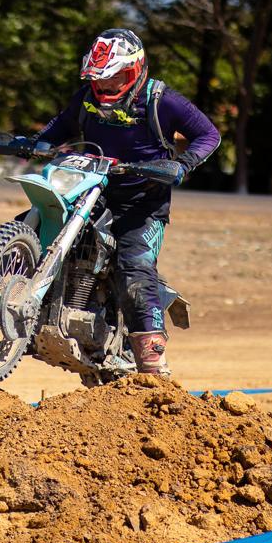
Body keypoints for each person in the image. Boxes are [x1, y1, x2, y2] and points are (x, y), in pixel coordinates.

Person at [33, 28, 220, 377]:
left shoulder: (162, 99)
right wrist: (35, 143)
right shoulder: (87, 97)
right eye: (98, 79)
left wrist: (183, 163)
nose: (104, 87)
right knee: (41, 220)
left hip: (143, 204)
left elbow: (209, 133)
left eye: (114, 77)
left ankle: (152, 363)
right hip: (92, 190)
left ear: (134, 71)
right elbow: (61, 126)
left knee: (134, 268)